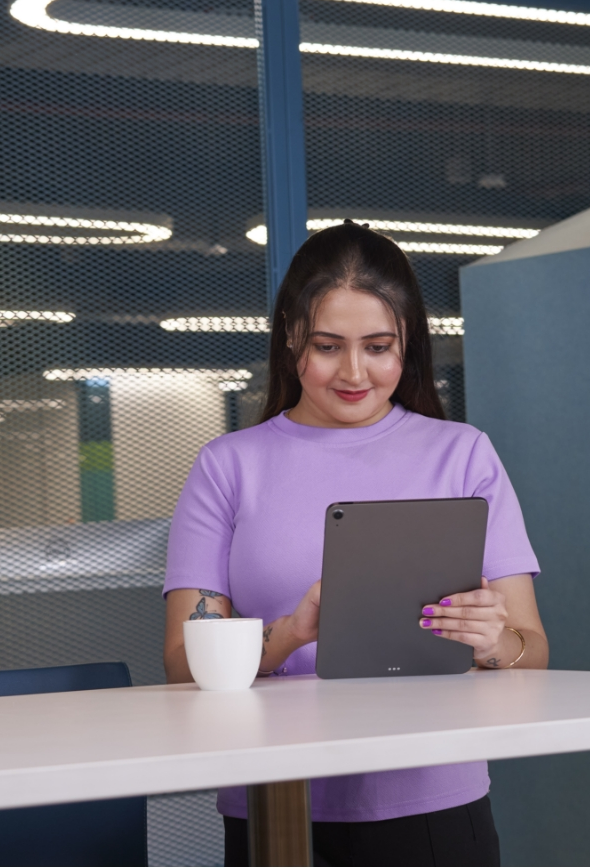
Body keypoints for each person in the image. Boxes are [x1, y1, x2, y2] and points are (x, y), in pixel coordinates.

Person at [161, 220, 549, 866]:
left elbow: (532, 651)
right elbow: (181, 663)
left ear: (407, 345)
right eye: (327, 346)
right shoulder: (226, 467)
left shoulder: (464, 456)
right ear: (291, 338)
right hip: (275, 805)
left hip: (434, 805)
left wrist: (495, 642)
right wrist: (291, 632)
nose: (353, 372)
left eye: (377, 347)